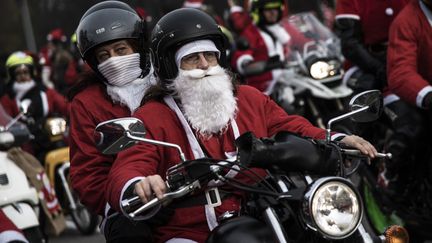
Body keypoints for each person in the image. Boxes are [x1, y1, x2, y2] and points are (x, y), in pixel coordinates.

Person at [106, 8, 377, 243]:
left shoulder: (248, 98)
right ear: (169, 66)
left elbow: (290, 125)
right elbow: (130, 163)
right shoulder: (153, 116)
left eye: (209, 56)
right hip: (191, 229)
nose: (204, 66)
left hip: (264, 211)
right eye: (192, 59)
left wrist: (336, 138)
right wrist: (140, 182)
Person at [68, 1, 156, 242]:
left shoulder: (166, 83)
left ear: (138, 46)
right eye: (104, 55)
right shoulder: (86, 103)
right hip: (126, 206)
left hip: (188, 187)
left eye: (121, 50)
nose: (113, 60)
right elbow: (88, 173)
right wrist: (125, 196)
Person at [334, 0, 423, 190]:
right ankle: (384, 169)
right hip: (370, 65)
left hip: (409, 61)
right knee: (410, 123)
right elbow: (350, 45)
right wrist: (380, 68)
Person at [387, 0, 432, 182]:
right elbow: (400, 72)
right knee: (412, 130)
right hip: (418, 93)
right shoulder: (407, 20)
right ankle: (391, 180)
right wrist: (428, 95)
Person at [229, 0, 309, 94]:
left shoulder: (285, 28)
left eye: (276, 9)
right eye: (268, 10)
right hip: (264, 88)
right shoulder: (251, 33)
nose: (273, 13)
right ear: (258, 12)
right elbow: (242, 61)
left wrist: (319, 47)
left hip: (288, 78)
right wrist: (263, 65)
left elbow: (304, 43)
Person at [0, 51, 68, 158]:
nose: (23, 76)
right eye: (18, 73)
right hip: (24, 144)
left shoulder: (45, 92)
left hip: (50, 137)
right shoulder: (8, 98)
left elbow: (65, 106)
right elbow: (5, 121)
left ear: (31, 73)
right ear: (12, 76)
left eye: (26, 72)